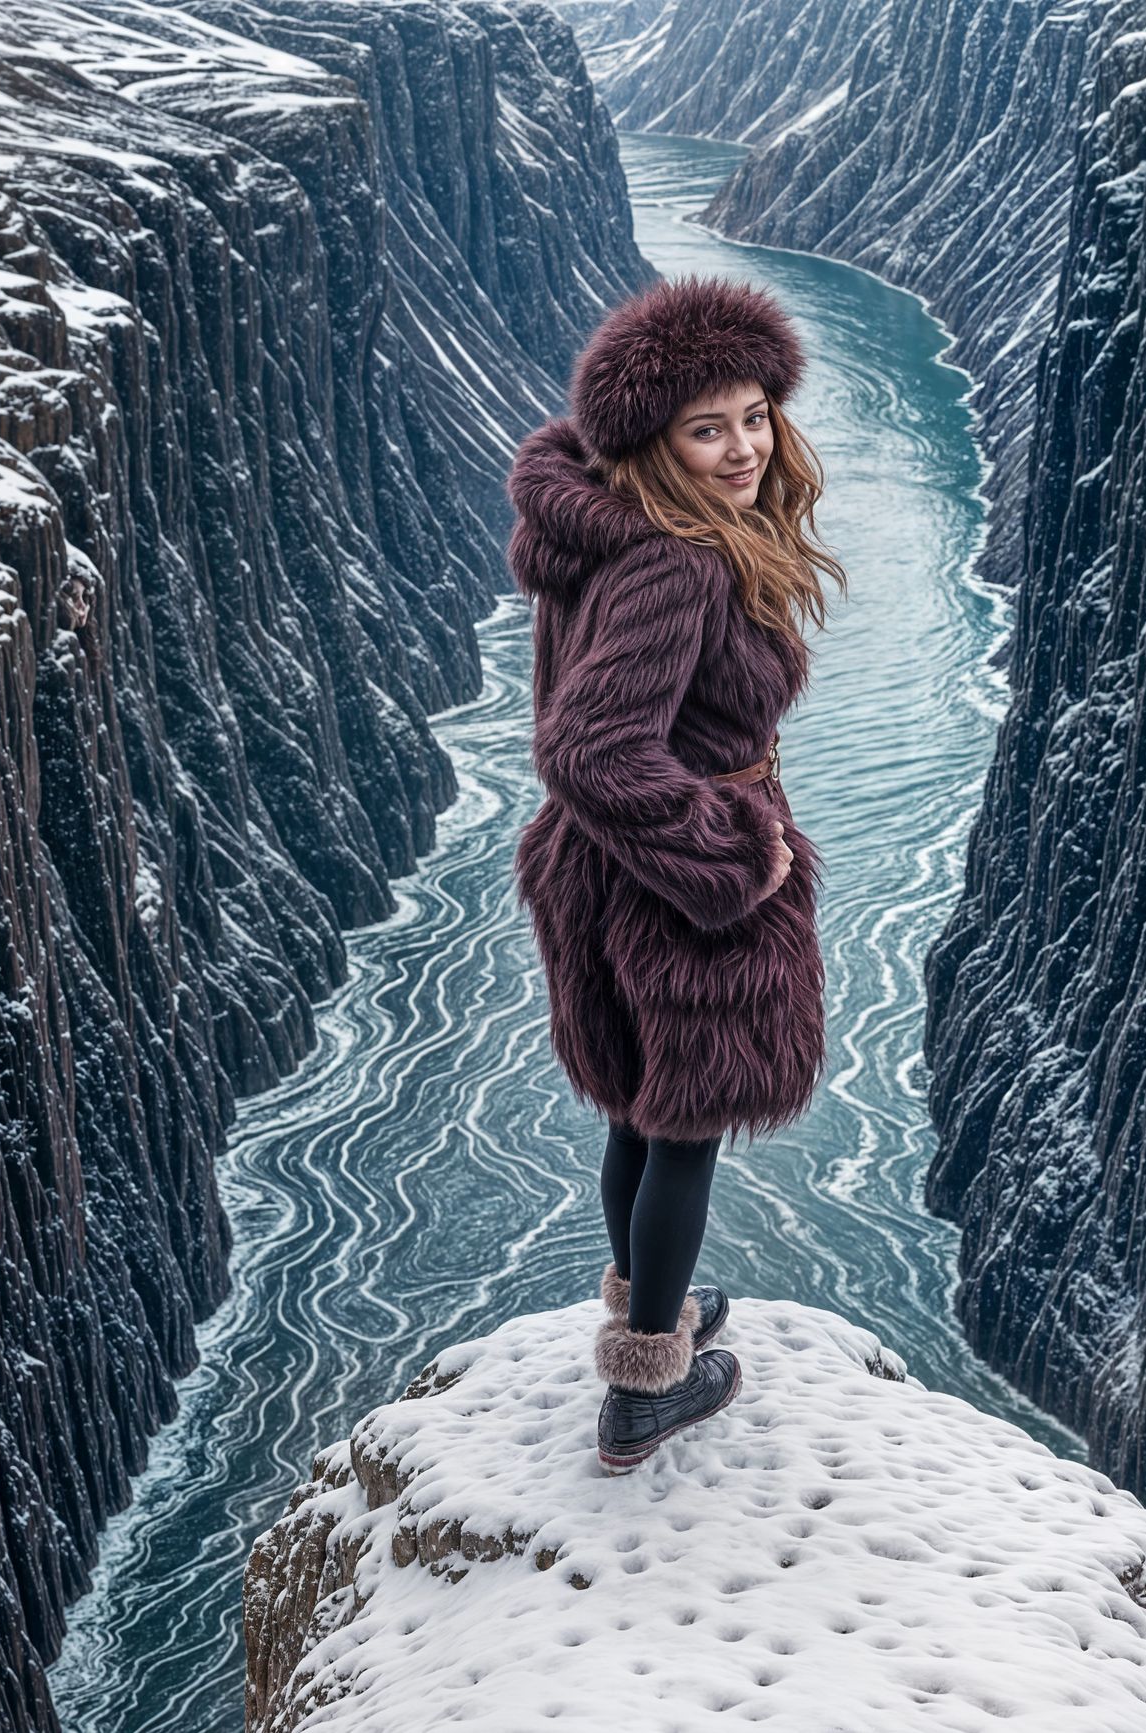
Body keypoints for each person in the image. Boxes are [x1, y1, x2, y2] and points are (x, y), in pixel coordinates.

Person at [505, 273, 847, 1472]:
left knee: (635, 1108)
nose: (744, 445)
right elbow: (591, 747)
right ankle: (650, 1377)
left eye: (755, 414)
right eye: (709, 428)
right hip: (671, 874)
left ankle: (650, 1308)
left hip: (601, 869)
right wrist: (731, 857)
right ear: (656, 440)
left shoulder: (602, 527)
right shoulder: (681, 566)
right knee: (684, 1126)